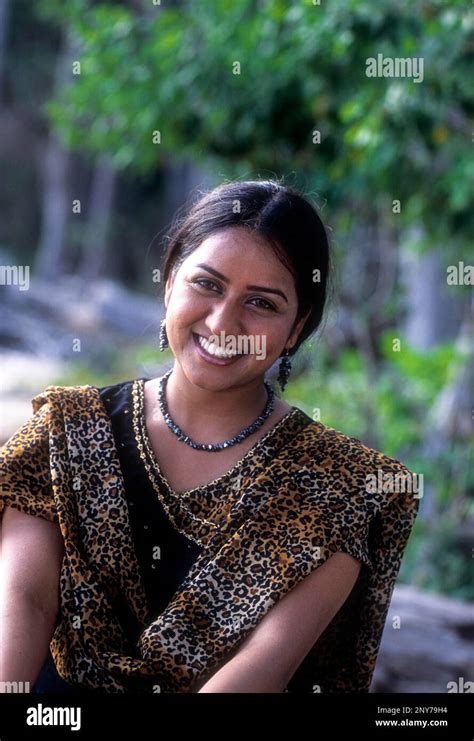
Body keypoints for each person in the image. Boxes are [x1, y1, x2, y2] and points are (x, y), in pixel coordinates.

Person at [0, 179, 420, 694]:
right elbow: (24, 606)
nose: (224, 322)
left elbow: (264, 670)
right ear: (169, 282)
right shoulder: (63, 433)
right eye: (208, 284)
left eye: (262, 304)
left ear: (297, 327)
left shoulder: (335, 488)